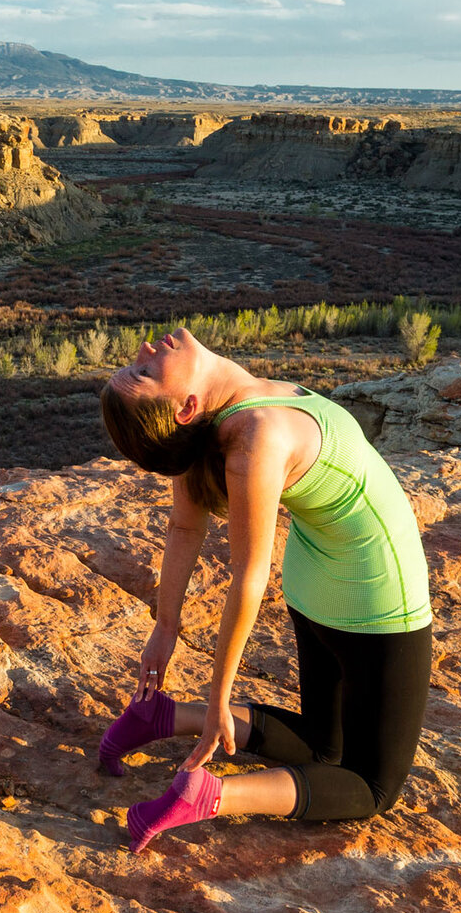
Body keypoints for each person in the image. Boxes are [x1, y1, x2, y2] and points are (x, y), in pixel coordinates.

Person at [96, 326, 433, 853]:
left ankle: (162, 716)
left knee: (325, 743)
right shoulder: (255, 434)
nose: (144, 351)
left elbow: (186, 529)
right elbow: (247, 576)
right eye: (143, 373)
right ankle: (207, 796)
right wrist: (217, 698)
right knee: (373, 784)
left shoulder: (217, 425)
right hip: (378, 592)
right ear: (185, 407)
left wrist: (168, 629)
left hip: (315, 579)